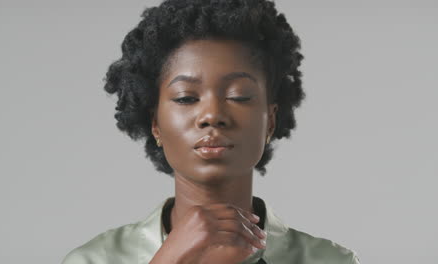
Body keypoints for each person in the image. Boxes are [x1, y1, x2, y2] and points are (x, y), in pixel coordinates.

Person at [62, 0, 360, 263]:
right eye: (186, 98)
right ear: (155, 124)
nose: (212, 115)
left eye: (239, 96)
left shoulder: (331, 261)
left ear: (270, 121)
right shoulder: (94, 260)